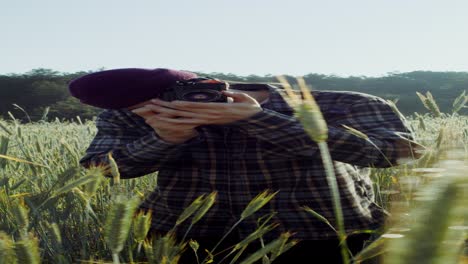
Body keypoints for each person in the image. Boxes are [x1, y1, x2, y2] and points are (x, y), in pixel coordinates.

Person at [72, 68, 420, 263]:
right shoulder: (128, 112)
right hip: (186, 239)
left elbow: (399, 152)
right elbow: (99, 168)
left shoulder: (345, 103)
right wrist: (164, 137)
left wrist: (259, 119)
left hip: (324, 238)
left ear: (206, 85)